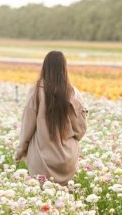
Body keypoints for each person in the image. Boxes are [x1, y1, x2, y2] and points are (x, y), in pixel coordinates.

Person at [15, 50, 88, 184]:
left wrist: (20, 151)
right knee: (65, 202)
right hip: (67, 160)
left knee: (41, 200)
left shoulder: (37, 91)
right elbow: (80, 130)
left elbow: (27, 126)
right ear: (64, 68)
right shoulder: (73, 93)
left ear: (45, 67)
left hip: (41, 158)